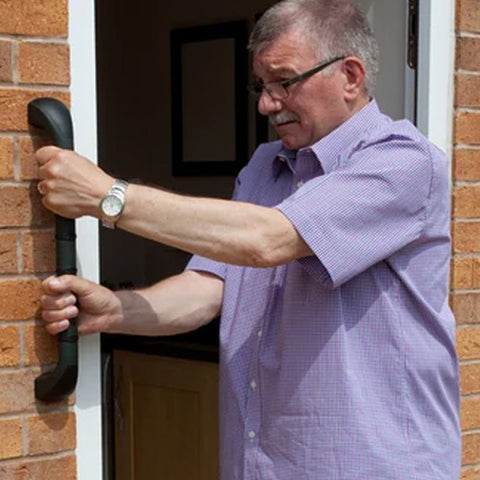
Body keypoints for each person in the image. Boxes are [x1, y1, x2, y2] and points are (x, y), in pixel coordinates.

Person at [36, 0, 461, 478]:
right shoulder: (265, 167)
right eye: (261, 86)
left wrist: (106, 197)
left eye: (283, 81)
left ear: (350, 76)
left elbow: (270, 240)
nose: (266, 104)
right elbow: (209, 288)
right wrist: (116, 310)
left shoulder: (403, 163)